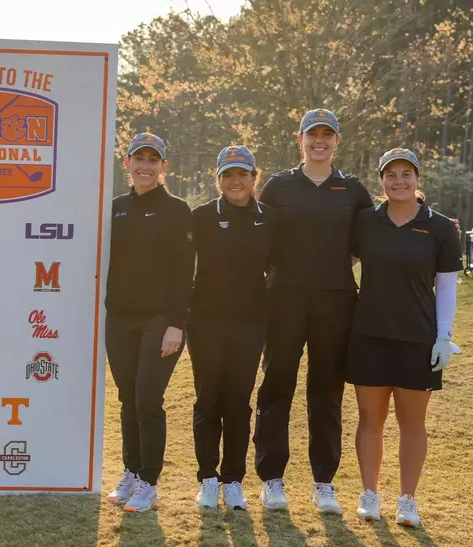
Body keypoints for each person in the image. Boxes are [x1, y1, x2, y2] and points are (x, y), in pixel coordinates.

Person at [253, 109, 374, 513]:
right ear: (300, 139)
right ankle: (272, 479)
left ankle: (324, 482)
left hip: (336, 300)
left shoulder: (354, 190)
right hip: (284, 298)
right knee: (277, 386)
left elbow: (362, 246)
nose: (319, 141)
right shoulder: (278, 186)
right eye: (312, 134)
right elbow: (262, 242)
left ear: (338, 140)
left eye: (327, 134)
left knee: (326, 392)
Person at [348, 148, 461, 527]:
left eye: (406, 174)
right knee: (370, 419)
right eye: (390, 175)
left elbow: (446, 286)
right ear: (381, 180)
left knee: (412, 422)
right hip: (369, 334)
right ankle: (370, 495)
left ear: (417, 178)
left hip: (417, 338)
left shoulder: (441, 227)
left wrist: (443, 337)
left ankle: (408, 500)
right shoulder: (365, 221)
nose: (399, 181)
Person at [104, 133, 195, 512]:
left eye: (152, 160)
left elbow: (183, 271)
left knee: (147, 400)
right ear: (127, 164)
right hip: (120, 318)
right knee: (128, 400)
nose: (145, 165)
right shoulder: (114, 207)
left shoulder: (176, 209)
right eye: (138, 158)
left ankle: (149, 481)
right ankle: (130, 470)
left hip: (160, 319)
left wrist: (177, 323)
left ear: (163, 167)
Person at [188, 146, 278, 510]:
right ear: (218, 179)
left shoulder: (271, 219)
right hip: (205, 322)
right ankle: (208, 478)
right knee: (207, 399)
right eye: (228, 175)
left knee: (238, 402)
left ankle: (234, 479)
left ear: (255, 178)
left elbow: (281, 267)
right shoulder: (201, 216)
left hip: (250, 323)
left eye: (243, 174)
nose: (235, 181)